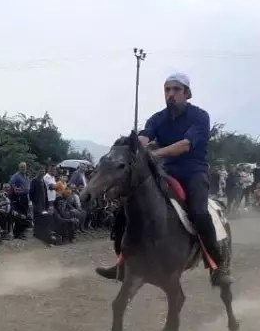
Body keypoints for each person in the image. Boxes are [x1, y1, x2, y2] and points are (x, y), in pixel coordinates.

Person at [96, 72, 231, 286]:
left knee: (199, 212)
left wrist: (152, 154)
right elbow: (145, 136)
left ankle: (217, 266)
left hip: (194, 172)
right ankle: (122, 263)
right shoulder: (157, 118)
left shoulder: (200, 117)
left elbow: (185, 145)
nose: (171, 94)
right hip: (165, 172)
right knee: (126, 209)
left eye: (176, 89)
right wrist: (132, 146)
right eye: (167, 90)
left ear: (187, 93)